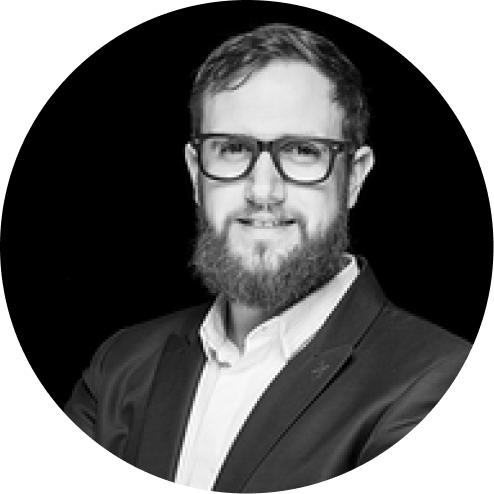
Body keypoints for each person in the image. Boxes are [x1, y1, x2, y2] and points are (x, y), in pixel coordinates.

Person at [63, 23, 472, 490]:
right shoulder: (120, 364)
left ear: (354, 177)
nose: (262, 191)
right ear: (196, 172)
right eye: (233, 149)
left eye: (302, 151)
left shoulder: (435, 379)